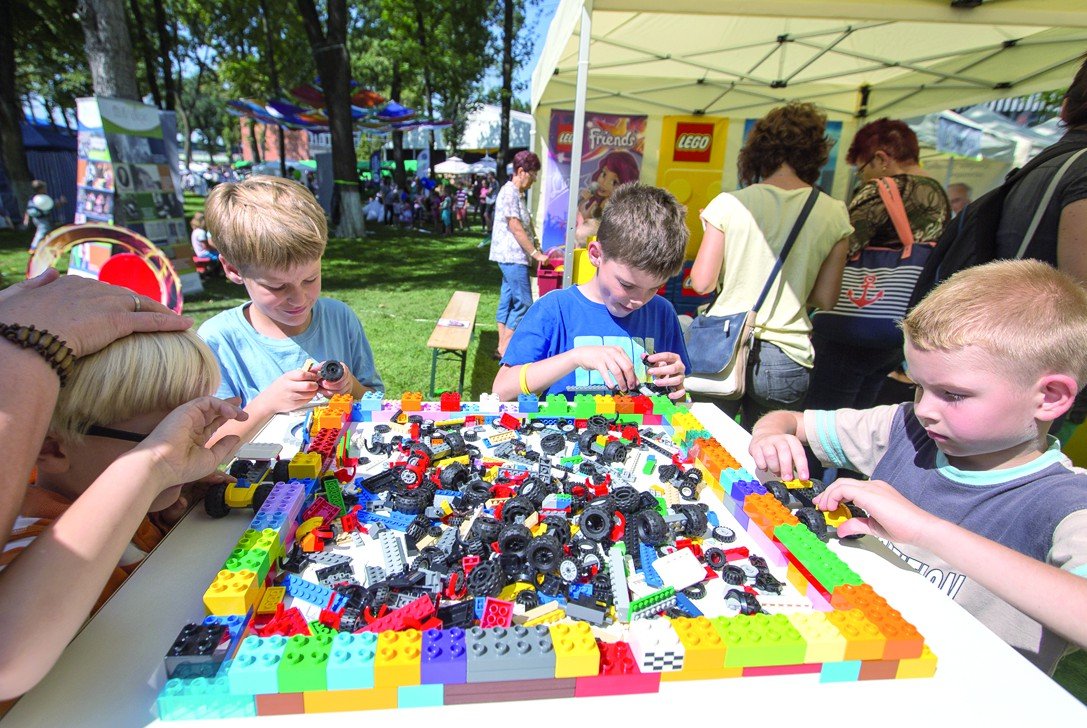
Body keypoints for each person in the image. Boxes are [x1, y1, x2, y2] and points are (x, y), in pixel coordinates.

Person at [749, 259, 1087, 672]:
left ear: (1050, 396)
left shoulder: (1068, 504)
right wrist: (771, 434)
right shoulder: (905, 428)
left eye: (954, 394)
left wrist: (926, 530)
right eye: (918, 386)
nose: (925, 408)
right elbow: (789, 420)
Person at [0, 269, 244, 699]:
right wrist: (152, 469)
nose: (190, 449)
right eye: (168, 434)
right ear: (51, 448)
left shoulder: (92, 489)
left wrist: (164, 506)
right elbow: (10, 651)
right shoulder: (24, 543)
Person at [688, 102, 852, 430]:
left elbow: (701, 283)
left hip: (722, 347)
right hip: (787, 356)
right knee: (768, 460)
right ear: (816, 153)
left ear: (759, 148)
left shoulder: (729, 204)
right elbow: (825, 298)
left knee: (706, 450)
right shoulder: (834, 212)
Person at [197, 177, 384, 442]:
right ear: (232, 270)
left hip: (343, 470)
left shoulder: (340, 318)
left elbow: (379, 405)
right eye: (277, 286)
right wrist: (268, 404)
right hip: (267, 481)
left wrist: (350, 386)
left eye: (310, 279)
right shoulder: (218, 340)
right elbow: (212, 445)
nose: (299, 299)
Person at [493, 183, 690, 401]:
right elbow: (501, 389)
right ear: (596, 255)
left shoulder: (662, 313)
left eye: (654, 288)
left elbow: (678, 402)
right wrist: (575, 357)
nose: (638, 301)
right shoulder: (554, 310)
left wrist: (676, 388)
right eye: (627, 285)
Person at [806, 118, 951, 413]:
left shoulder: (883, 191)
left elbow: (841, 246)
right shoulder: (939, 196)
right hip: (896, 329)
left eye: (862, 169)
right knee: (860, 417)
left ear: (882, 159)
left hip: (853, 328)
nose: (862, 179)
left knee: (823, 419)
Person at [995, 54, 1087, 283]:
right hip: (1050, 316)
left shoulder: (1048, 162)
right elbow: (1082, 287)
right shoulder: (1081, 167)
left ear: (1066, 105)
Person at [489, 150, 548, 360]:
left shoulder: (516, 194)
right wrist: (535, 253)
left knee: (508, 299)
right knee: (524, 303)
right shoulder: (509, 193)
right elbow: (515, 227)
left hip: (510, 258)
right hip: (512, 257)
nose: (533, 180)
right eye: (533, 175)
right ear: (521, 171)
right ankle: (506, 348)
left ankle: (501, 346)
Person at [23, 180, 62, 255]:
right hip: (41, 219)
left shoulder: (33, 198)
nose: (45, 189)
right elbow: (51, 205)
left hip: (38, 218)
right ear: (40, 189)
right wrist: (60, 202)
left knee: (47, 231)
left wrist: (27, 218)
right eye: (44, 188)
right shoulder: (40, 199)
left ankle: (47, 246)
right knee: (42, 232)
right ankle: (33, 248)